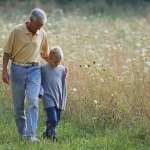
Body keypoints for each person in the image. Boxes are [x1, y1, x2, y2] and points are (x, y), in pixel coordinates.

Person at [2, 8, 50, 142]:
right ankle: (22, 133)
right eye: (38, 25)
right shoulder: (17, 31)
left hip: (34, 70)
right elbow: (6, 52)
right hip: (17, 69)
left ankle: (31, 135)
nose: (39, 29)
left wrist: (59, 66)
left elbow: (45, 54)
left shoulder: (42, 33)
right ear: (30, 21)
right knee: (18, 107)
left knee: (33, 101)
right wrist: (4, 71)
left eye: (42, 26)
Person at [39, 45, 67, 142]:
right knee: (53, 118)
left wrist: (63, 98)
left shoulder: (62, 69)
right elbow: (40, 81)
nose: (57, 64)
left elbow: (62, 84)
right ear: (49, 59)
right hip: (48, 97)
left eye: (59, 62)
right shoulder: (43, 68)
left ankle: (46, 134)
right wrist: (40, 92)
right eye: (55, 62)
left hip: (58, 97)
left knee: (57, 119)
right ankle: (51, 136)